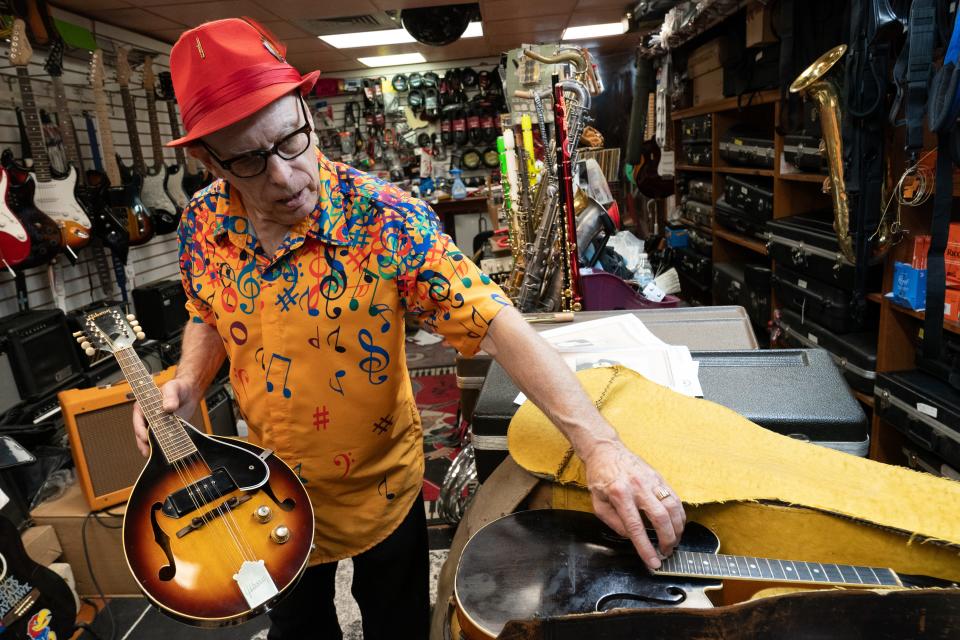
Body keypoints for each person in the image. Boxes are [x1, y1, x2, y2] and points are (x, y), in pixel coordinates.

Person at [131, 18, 685, 640]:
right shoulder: (200, 226)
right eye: (251, 160)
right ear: (208, 160)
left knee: (397, 625)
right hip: (264, 489)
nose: (286, 177)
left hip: (380, 489)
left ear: (307, 114)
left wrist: (601, 448)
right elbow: (206, 312)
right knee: (298, 631)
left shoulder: (384, 218)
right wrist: (185, 381)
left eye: (292, 140)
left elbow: (497, 322)